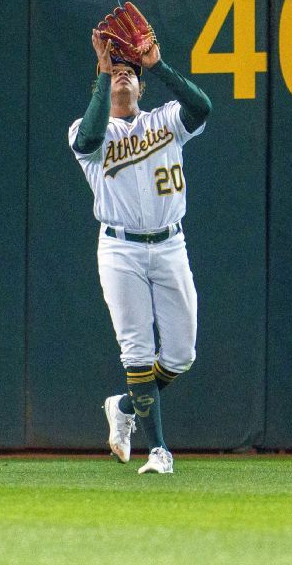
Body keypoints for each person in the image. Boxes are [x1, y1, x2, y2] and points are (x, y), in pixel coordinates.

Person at [67, 26, 212, 474]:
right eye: (117, 74)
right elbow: (89, 139)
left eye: (130, 73)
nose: (123, 77)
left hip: (171, 243)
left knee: (181, 354)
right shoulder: (87, 130)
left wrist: (157, 65)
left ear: (141, 84)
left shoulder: (164, 120)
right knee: (136, 350)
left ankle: (126, 407)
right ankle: (159, 450)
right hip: (120, 250)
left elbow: (202, 107)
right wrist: (102, 72)